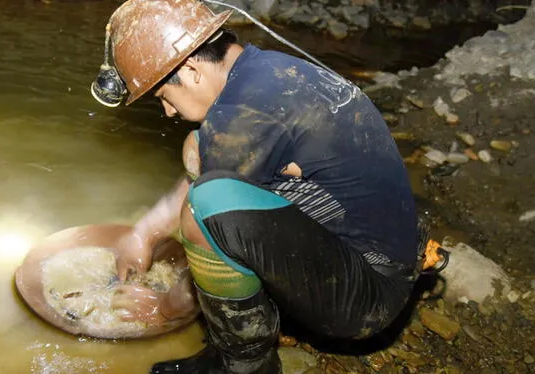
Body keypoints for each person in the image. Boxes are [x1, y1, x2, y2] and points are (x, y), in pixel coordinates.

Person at [90, 0, 438, 372]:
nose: (168, 112)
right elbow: (211, 160)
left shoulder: (245, 116)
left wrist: (165, 306)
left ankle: (245, 361)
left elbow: (208, 202)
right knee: (199, 148)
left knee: (203, 211)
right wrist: (144, 233)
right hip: (379, 251)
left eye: (164, 98)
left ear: (191, 70)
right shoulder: (265, 72)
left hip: (368, 297)